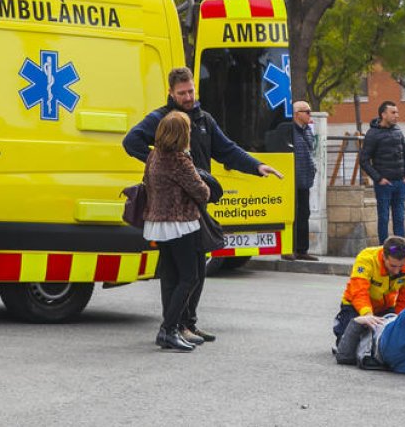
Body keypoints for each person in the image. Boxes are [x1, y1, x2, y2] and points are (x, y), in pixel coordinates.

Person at [124, 66, 283, 344]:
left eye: (191, 91)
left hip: (194, 207)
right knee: (180, 272)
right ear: (171, 93)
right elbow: (131, 141)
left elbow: (228, 150)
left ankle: (187, 323)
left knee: (194, 268)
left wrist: (256, 165)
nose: (188, 97)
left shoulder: (204, 120)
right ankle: (172, 327)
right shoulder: (163, 119)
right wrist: (161, 161)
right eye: (182, 93)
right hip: (174, 210)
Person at [142, 112, 210, 352]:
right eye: (188, 130)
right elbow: (202, 193)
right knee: (189, 277)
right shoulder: (179, 160)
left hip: (158, 223)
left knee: (170, 278)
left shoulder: (154, 156)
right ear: (182, 134)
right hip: (180, 223)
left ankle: (172, 329)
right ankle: (169, 329)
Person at [333, 236, 405, 343]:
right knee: (346, 343)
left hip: (385, 308)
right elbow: (359, 291)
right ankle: (341, 323)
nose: (397, 271)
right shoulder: (366, 258)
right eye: (393, 266)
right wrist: (368, 315)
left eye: (401, 266)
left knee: (396, 339)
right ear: (383, 257)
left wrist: (399, 320)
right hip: (355, 306)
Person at [268, 100, 319, 261]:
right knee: (292, 215)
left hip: (305, 180)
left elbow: (310, 152)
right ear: (296, 114)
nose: (310, 115)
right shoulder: (289, 131)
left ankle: (302, 250)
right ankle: (289, 249)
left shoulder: (307, 131)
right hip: (291, 180)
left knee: (304, 213)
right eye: (307, 111)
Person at [359, 101, 405, 243]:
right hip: (384, 184)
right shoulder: (373, 133)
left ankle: (400, 250)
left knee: (399, 218)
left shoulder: (398, 131)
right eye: (393, 112)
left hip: (400, 183)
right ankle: (385, 249)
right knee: (383, 217)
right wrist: (379, 179)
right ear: (383, 114)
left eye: (397, 112)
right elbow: (363, 160)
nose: (396, 115)